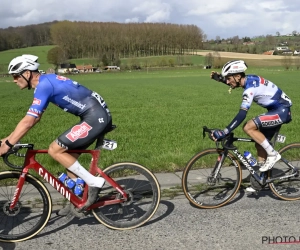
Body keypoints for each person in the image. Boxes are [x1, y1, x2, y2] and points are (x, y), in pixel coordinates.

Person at [0, 54, 112, 214]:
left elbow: (29, 121)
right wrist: (8, 139)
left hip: (95, 117)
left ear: (26, 73)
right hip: (95, 115)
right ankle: (80, 202)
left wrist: (8, 145)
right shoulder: (46, 81)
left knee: (55, 150)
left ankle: (94, 182)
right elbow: (35, 117)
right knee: (69, 161)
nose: (14, 80)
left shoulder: (44, 86)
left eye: (16, 75)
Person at [210, 60, 292, 191]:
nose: (228, 82)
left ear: (237, 76)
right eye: (226, 79)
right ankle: (259, 179)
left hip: (282, 111)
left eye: (229, 78)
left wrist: (225, 131)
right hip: (276, 110)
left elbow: (242, 114)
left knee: (248, 127)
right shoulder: (248, 80)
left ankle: (273, 155)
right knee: (259, 143)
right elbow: (235, 83)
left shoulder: (249, 89)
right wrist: (220, 79)